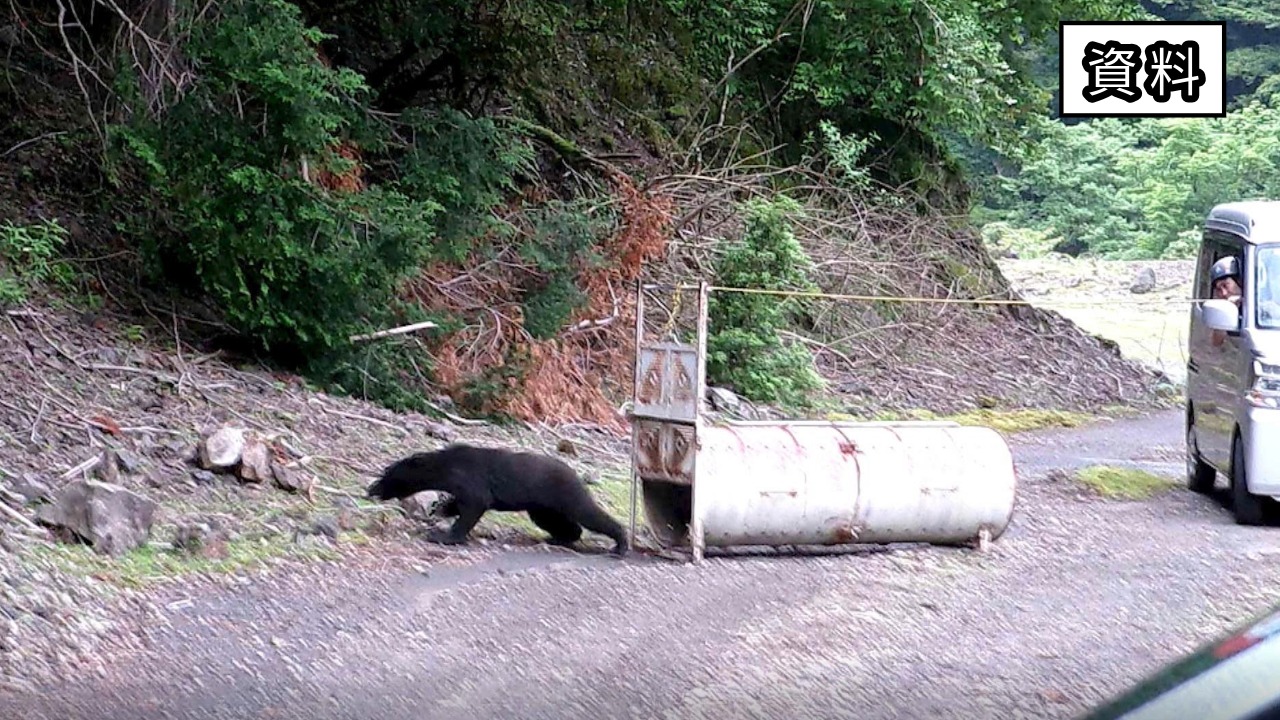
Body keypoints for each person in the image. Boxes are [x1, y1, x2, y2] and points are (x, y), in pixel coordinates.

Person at [1209, 255, 1242, 347]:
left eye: (1226, 285)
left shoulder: (1258, 301)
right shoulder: (1224, 307)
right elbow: (1216, 342)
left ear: (1238, 282)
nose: (1223, 293)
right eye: (1219, 289)